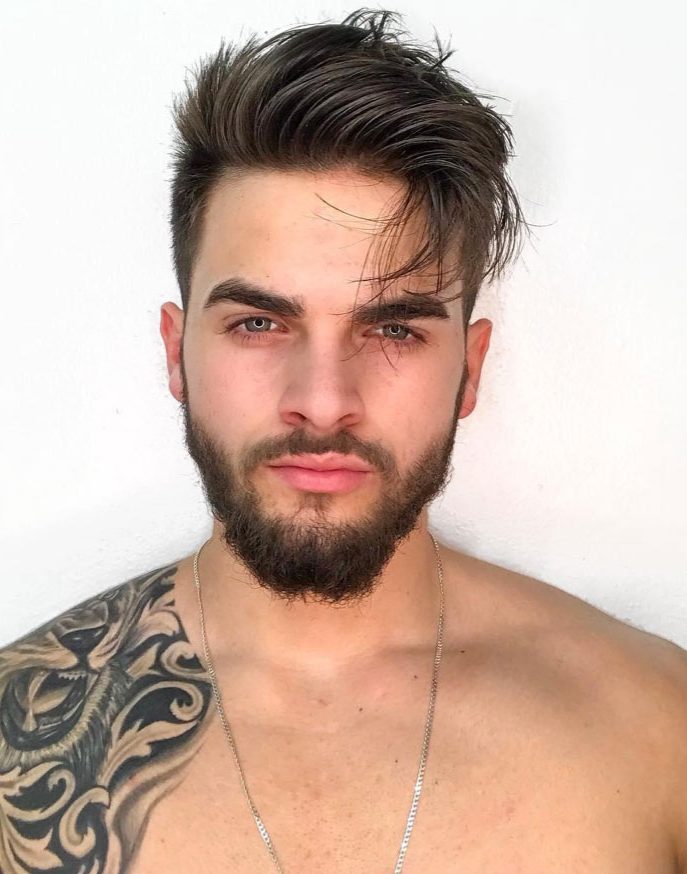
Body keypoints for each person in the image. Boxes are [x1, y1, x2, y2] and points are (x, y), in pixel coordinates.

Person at [0, 8, 685, 873]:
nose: (323, 403)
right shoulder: (15, 746)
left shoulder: (656, 732)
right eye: (258, 323)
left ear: (469, 368)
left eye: (394, 329)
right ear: (176, 352)